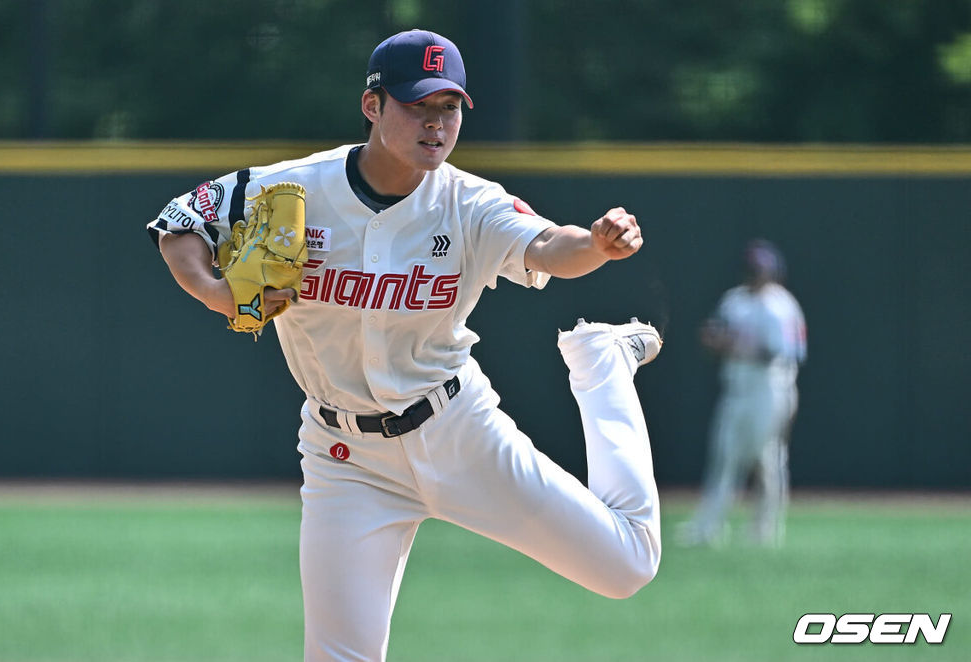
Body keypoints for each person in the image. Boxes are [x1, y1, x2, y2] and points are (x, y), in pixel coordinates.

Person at [148, 29, 663, 661]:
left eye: (449, 108)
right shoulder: (294, 189)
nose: (436, 124)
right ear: (373, 106)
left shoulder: (470, 203)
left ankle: (603, 365)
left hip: (456, 429)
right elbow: (180, 223)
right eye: (418, 106)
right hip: (346, 460)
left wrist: (597, 246)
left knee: (627, 565)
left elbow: (551, 248)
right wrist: (219, 294)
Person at [677, 239, 807, 548]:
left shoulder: (782, 306)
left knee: (768, 459)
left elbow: (787, 352)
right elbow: (715, 335)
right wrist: (716, 340)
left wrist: (734, 344)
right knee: (724, 456)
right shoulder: (734, 300)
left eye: (760, 269)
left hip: (770, 389)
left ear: (773, 271)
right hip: (737, 388)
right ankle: (709, 527)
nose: (755, 274)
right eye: (752, 268)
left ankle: (765, 529)